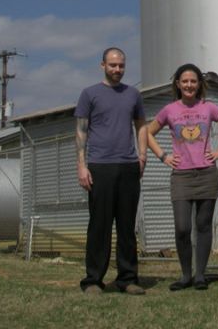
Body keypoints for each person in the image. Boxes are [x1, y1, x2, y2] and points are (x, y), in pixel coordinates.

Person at [147, 63, 218, 291]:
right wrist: (163, 156)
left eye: (193, 81)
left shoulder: (208, 108)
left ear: (199, 84)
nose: (189, 85)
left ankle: (200, 275)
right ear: (178, 84)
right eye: (185, 81)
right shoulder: (170, 110)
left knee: (203, 225)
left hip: (207, 174)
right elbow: (147, 132)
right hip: (181, 176)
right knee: (182, 227)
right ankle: (185, 275)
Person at [75, 47, 147, 295]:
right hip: (99, 167)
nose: (117, 69)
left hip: (128, 166)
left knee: (126, 226)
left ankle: (128, 279)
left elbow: (141, 126)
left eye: (121, 65)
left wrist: (142, 154)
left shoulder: (133, 95)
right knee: (99, 225)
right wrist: (82, 165)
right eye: (113, 65)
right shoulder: (89, 94)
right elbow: (81, 130)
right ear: (102, 65)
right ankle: (93, 280)